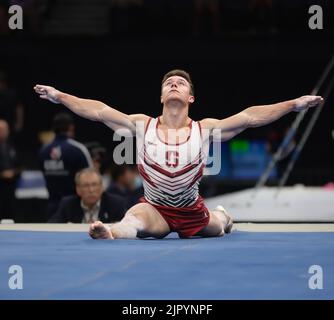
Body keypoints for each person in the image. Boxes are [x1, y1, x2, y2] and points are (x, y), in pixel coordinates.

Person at [34, 69, 323, 240]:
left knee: (219, 226)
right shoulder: (141, 125)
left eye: (181, 83)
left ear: (191, 98)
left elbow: (249, 117)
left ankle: (222, 216)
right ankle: (111, 232)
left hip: (192, 210)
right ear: (161, 97)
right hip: (155, 208)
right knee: (133, 219)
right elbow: (98, 111)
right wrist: (60, 96)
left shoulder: (206, 129)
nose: (174, 84)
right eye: (168, 83)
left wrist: (294, 104)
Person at [38, 112, 93, 220]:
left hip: (52, 206)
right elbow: (90, 177)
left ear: (53, 128)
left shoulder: (43, 151)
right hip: (74, 209)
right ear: (71, 127)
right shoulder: (78, 149)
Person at [49, 168, 126, 223]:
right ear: (78, 189)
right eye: (86, 185)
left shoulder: (116, 204)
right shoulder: (68, 204)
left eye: (94, 185)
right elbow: (53, 225)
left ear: (102, 187)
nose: (91, 190)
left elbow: (127, 227)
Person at [0, 119, 21, 220]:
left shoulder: (11, 146)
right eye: (0, 130)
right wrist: (2, 174)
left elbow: (19, 166)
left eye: (4, 130)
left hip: (10, 190)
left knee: (9, 217)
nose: (3, 132)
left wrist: (14, 172)